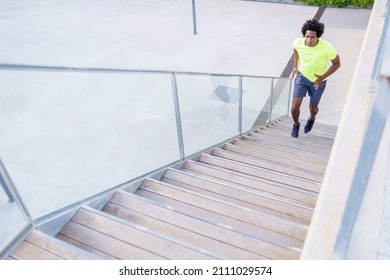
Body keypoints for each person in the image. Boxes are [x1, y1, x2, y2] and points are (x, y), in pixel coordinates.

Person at [290, 19, 341, 138]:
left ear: (318, 36)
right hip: (302, 77)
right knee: (294, 108)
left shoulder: (327, 47)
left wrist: (322, 77)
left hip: (319, 81)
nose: (309, 40)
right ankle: (296, 124)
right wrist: (295, 66)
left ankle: (312, 118)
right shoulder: (297, 42)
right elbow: (295, 50)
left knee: (313, 108)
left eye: (312, 37)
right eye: (307, 36)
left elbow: (337, 64)